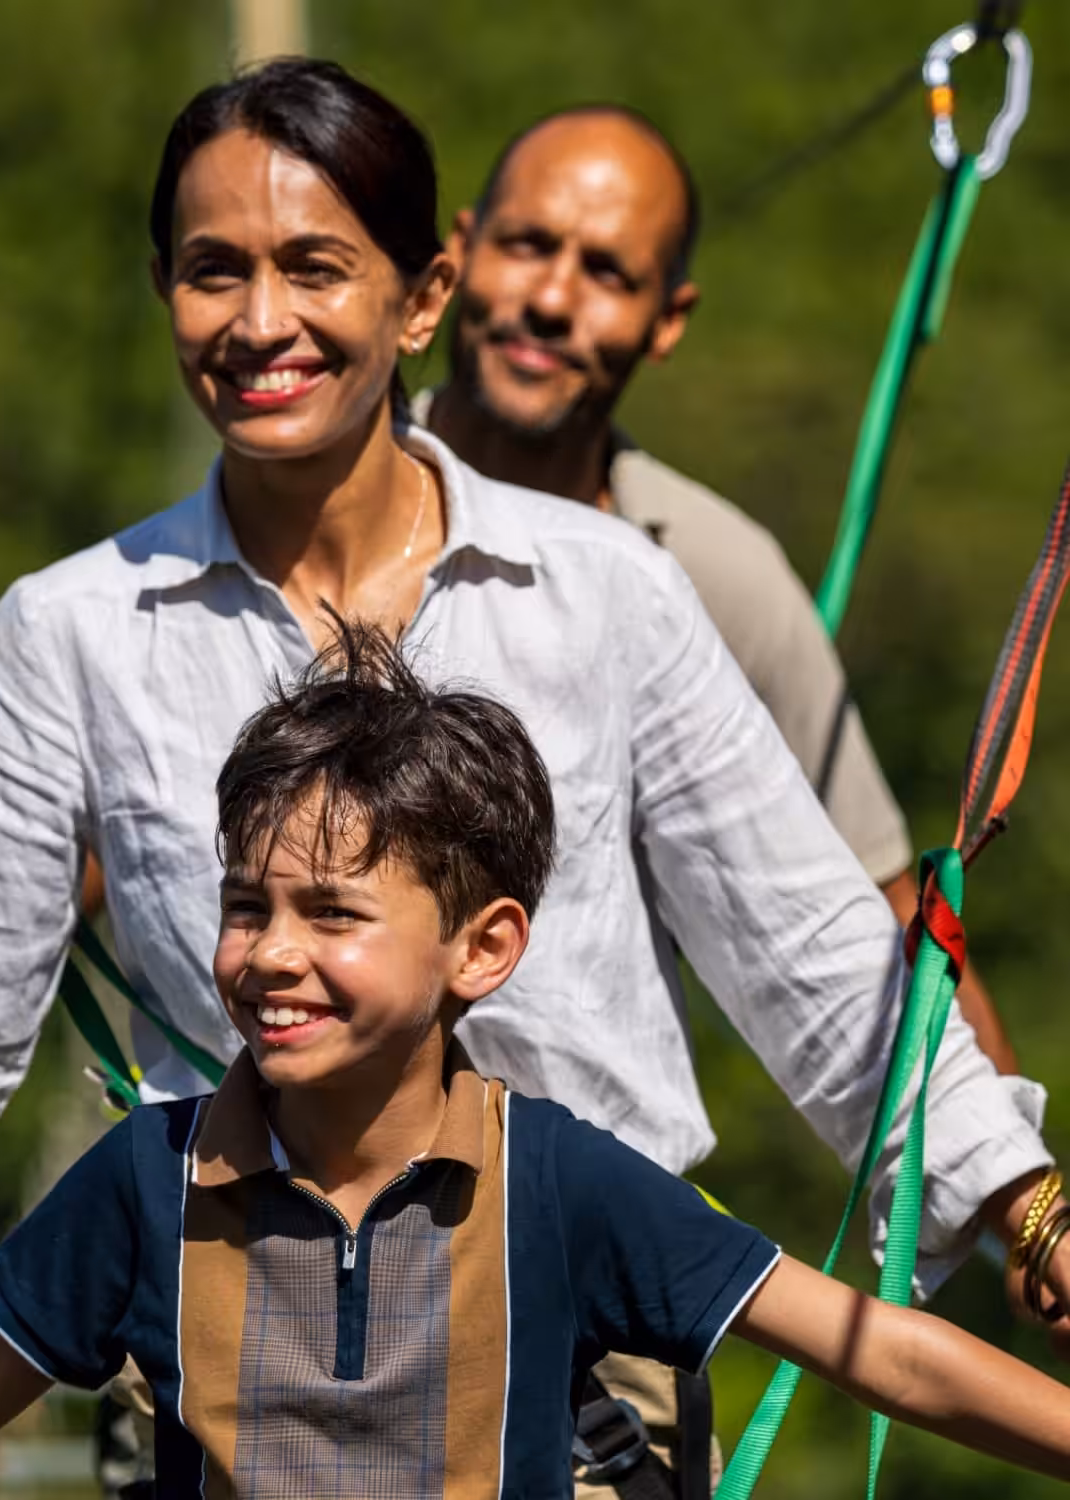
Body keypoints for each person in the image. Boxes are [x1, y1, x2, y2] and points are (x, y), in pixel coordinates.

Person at [0, 57, 1062, 1500]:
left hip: (580, 1362)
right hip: (223, 1353)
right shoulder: (71, 636)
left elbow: (817, 965)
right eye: (213, 268)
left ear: (421, 299)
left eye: (315, 267)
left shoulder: (609, 593)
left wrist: (1033, 1212)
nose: (259, 320)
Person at [0, 624, 1070, 1500]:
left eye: (334, 914)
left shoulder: (555, 1181)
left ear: (481, 950)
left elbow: (883, 1353)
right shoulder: (147, 1184)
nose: (270, 954)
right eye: (247, 906)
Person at [419, 105, 1018, 1079]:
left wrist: (1035, 1214)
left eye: (609, 273)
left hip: (578, 1193)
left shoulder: (714, 577)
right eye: (528, 246)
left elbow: (876, 926)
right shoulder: (318, 499)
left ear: (669, 320)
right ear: (457, 253)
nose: (554, 299)